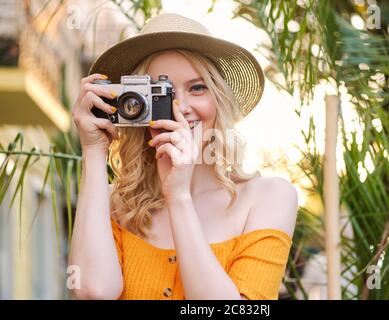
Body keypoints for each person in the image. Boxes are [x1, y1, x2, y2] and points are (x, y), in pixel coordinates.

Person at [69, 12, 298, 300]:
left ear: (219, 99)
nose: (180, 107)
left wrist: (178, 196)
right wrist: (92, 151)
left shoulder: (268, 197)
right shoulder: (114, 203)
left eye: (198, 88)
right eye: (160, 93)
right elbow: (93, 291)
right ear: (134, 107)